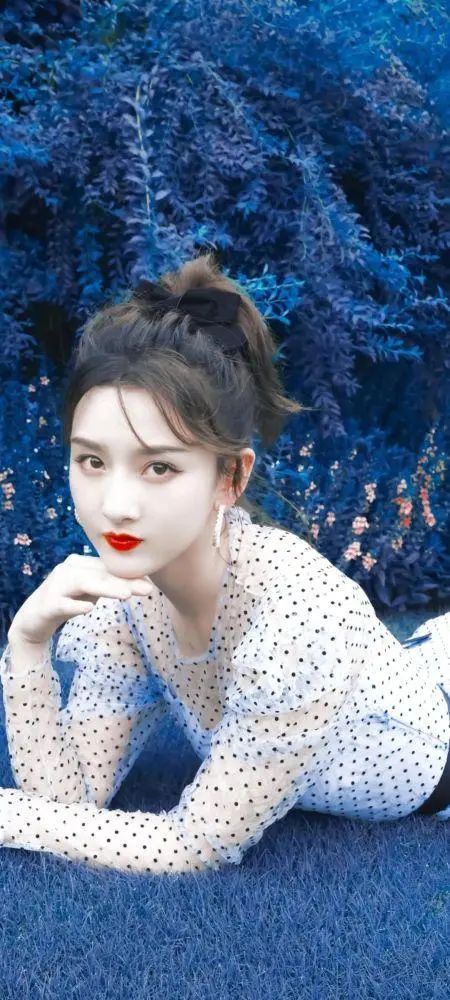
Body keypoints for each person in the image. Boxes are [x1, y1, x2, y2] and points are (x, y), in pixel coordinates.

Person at [1, 252, 450, 877]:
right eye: (92, 461)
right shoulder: (127, 602)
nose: (115, 505)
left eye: (160, 467)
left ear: (230, 477)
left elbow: (198, 845)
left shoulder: (296, 617)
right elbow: (68, 801)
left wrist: (11, 815)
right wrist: (27, 644)